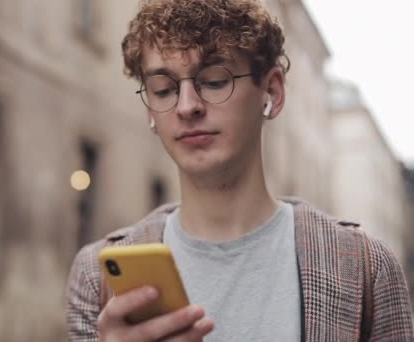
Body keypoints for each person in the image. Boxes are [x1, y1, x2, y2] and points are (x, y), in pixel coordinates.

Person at [65, 0, 414, 341]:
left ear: (272, 92)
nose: (187, 106)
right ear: (150, 111)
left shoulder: (365, 269)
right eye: (164, 89)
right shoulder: (97, 279)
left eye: (215, 81)